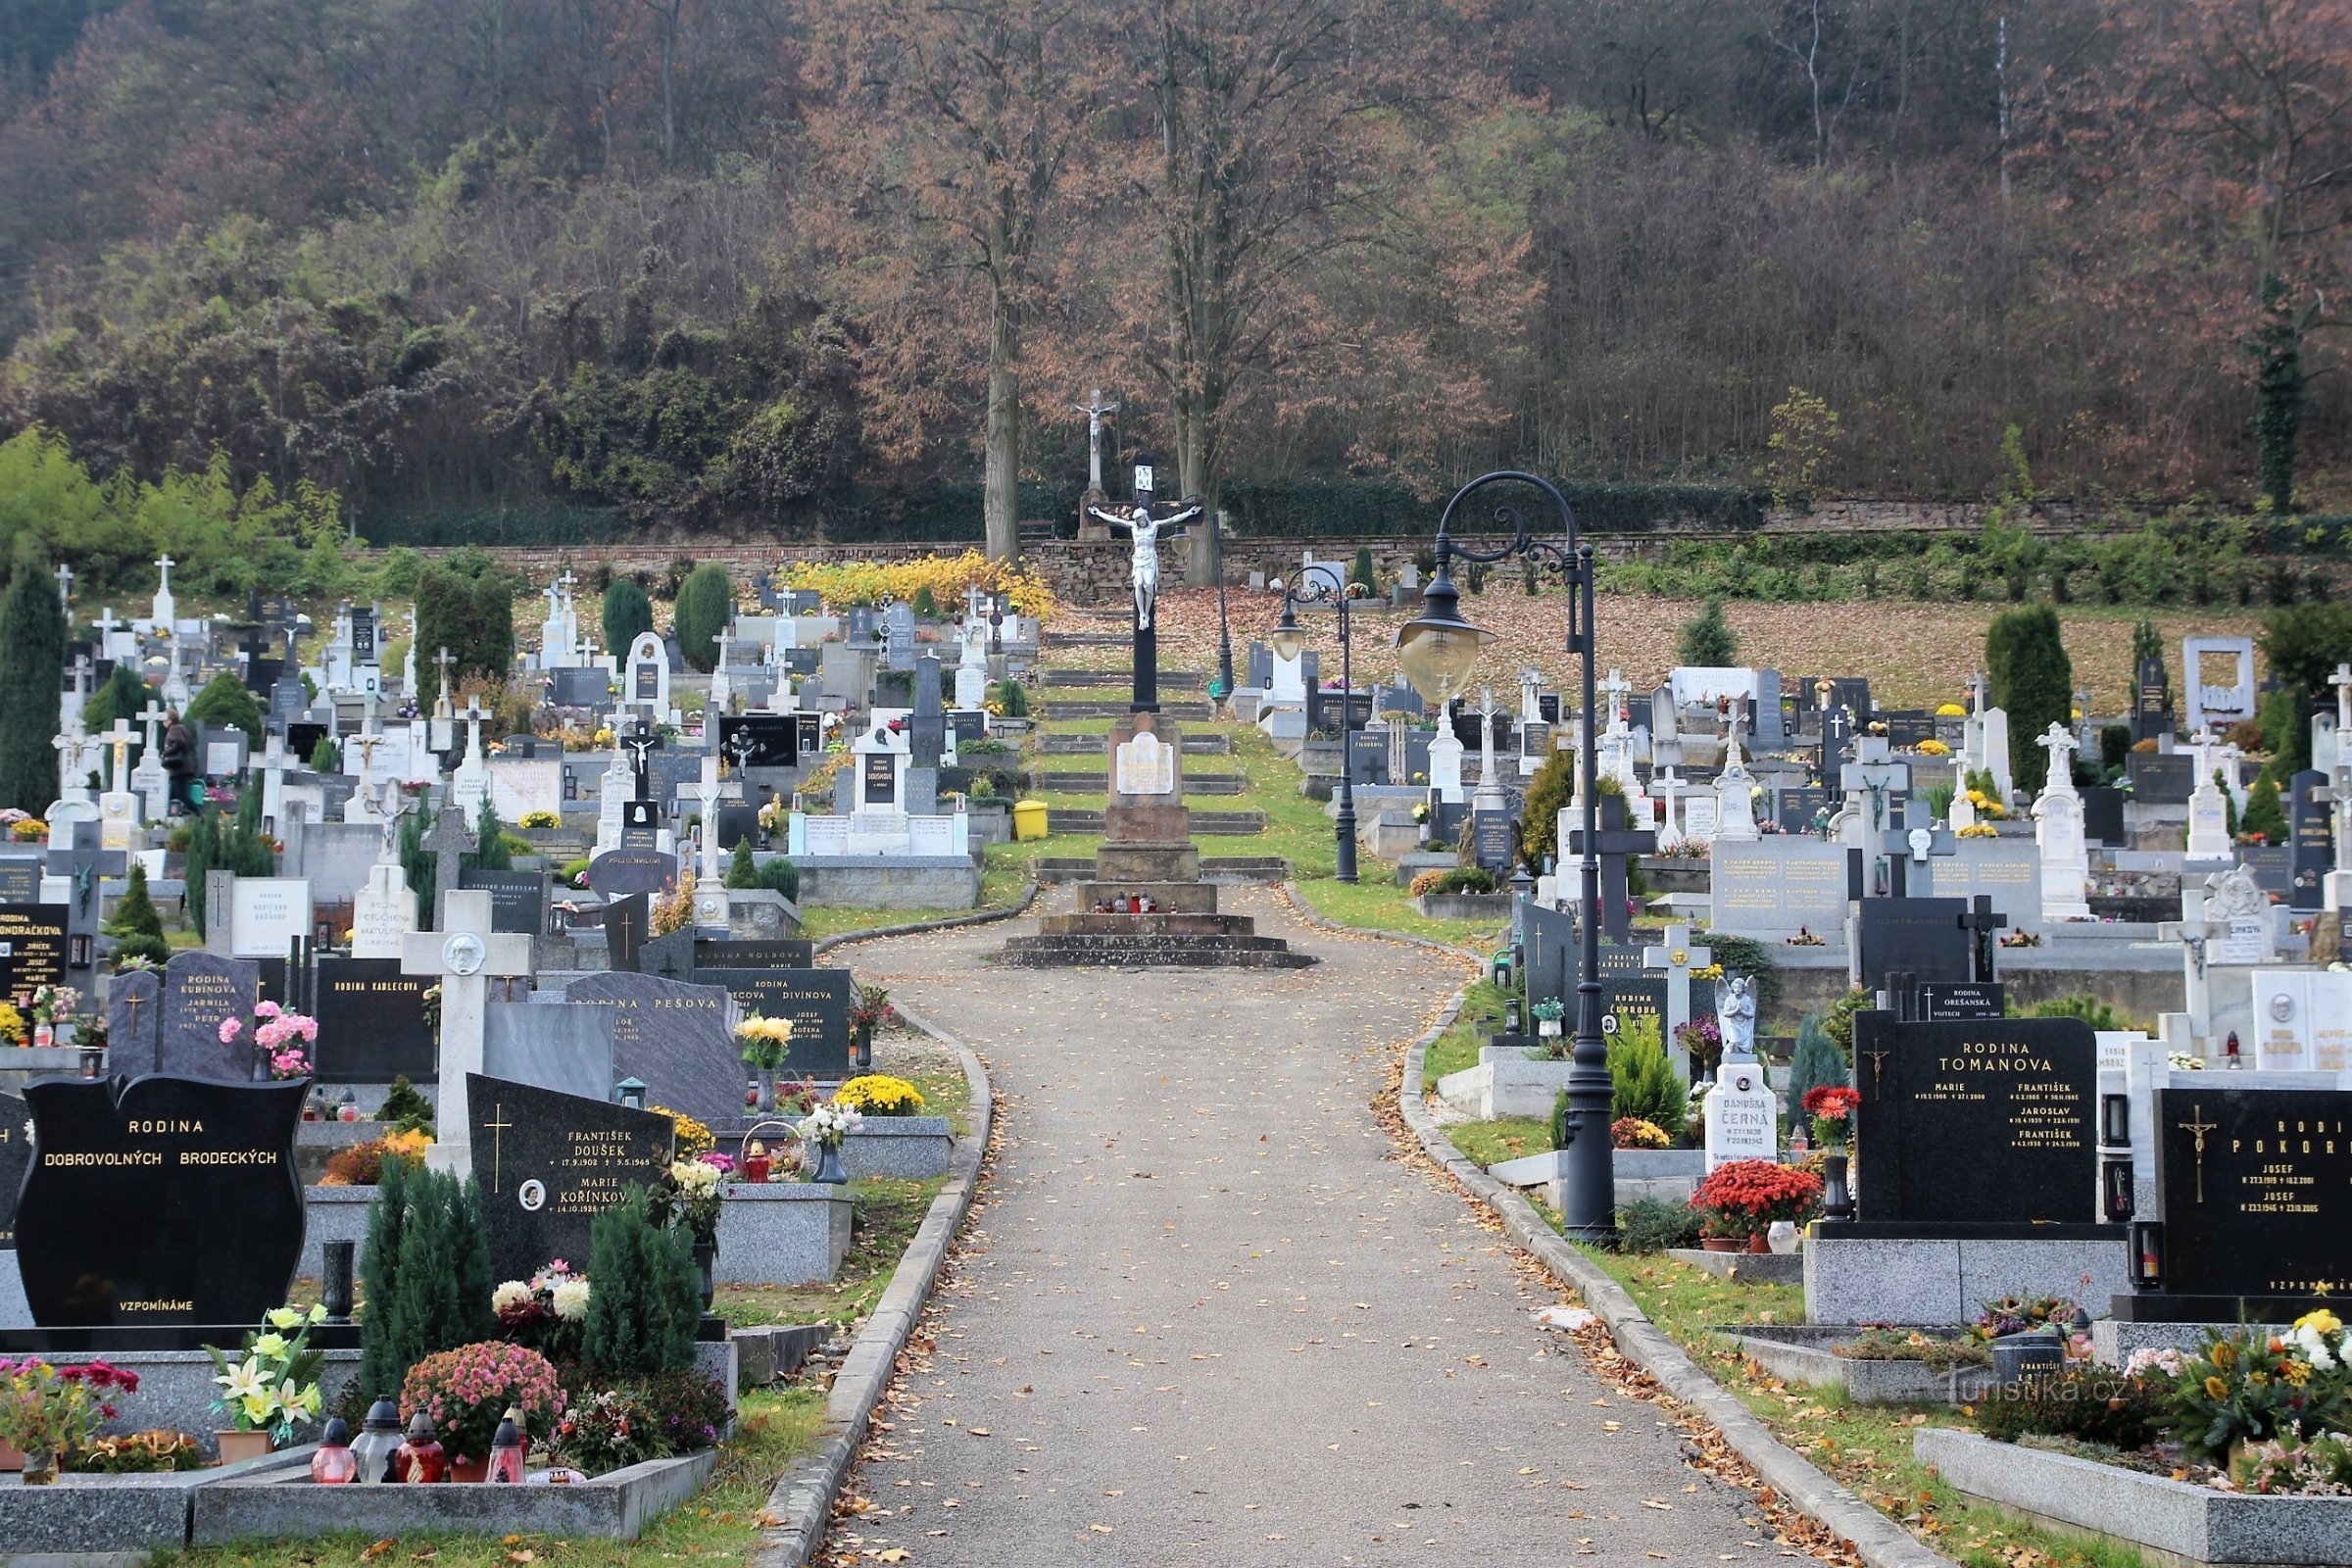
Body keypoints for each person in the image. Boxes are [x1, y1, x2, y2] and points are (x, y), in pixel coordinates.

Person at [160, 709, 197, 815]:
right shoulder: (182, 727)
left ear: (170, 720)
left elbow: (179, 742)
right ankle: (173, 815)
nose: (163, 722)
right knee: (172, 794)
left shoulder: (174, 728)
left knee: (182, 795)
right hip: (183, 767)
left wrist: (165, 753)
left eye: (164, 719)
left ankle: (199, 816)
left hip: (179, 767)